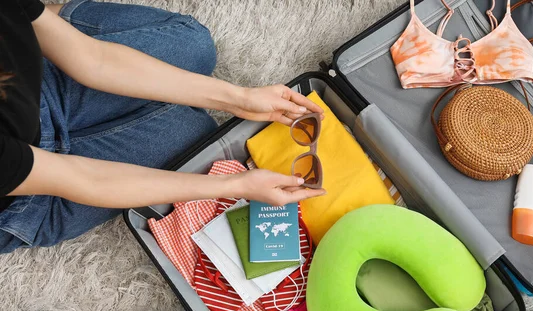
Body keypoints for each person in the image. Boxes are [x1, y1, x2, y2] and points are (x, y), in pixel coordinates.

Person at [0, 0, 326, 254]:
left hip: (38, 94)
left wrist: (238, 99)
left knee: (194, 47)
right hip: (30, 200)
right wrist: (235, 185)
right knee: (195, 135)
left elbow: (94, 59)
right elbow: (84, 179)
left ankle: (47, 23)